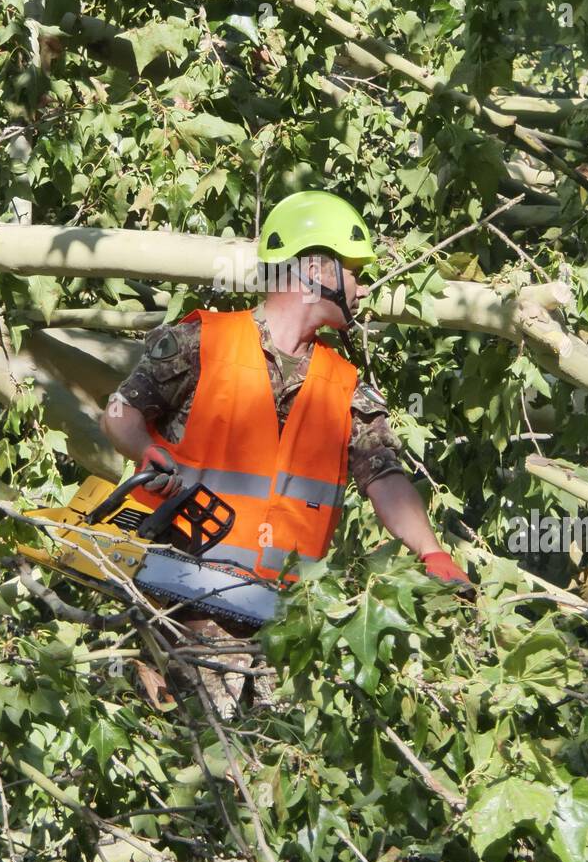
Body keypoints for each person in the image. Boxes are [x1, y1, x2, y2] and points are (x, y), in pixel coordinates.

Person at [102, 191, 474, 659]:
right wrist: (144, 449)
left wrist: (432, 553)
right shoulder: (199, 342)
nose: (363, 289)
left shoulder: (344, 384)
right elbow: (119, 412)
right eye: (355, 273)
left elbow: (384, 476)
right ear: (315, 271)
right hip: (174, 596)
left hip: (277, 620)